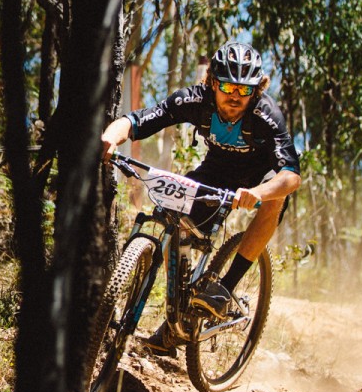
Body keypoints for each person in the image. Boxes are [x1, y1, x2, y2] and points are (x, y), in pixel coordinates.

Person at [100, 41, 301, 354]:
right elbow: (139, 120)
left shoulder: (266, 115)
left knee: (275, 199)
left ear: (256, 90)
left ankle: (226, 288)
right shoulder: (194, 100)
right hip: (217, 171)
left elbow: (290, 175)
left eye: (244, 90)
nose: (235, 96)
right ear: (212, 83)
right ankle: (177, 315)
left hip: (259, 180)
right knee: (174, 217)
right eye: (227, 87)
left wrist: (257, 193)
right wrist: (110, 139)